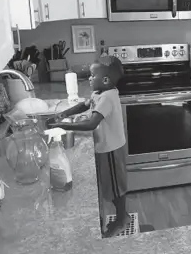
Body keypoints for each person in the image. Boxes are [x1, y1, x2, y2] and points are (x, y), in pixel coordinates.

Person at [47, 55, 129, 238]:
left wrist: (63, 126)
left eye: (93, 75)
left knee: (116, 188)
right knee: (110, 185)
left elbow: (92, 123)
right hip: (105, 146)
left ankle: (122, 219)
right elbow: (83, 106)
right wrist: (61, 115)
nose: (89, 78)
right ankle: (120, 216)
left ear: (105, 80)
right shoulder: (99, 93)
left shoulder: (108, 97)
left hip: (112, 149)